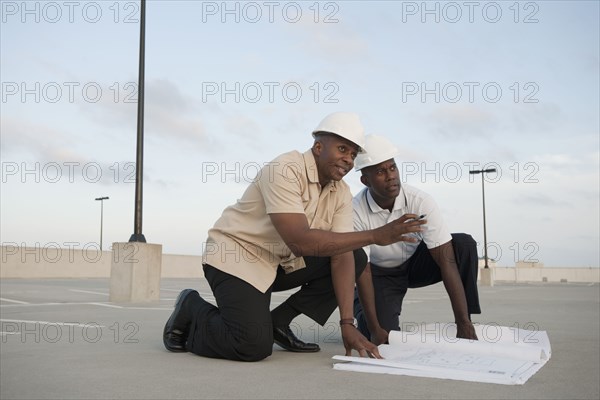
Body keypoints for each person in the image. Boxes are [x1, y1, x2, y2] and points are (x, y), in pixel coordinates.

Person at [162, 113, 427, 362]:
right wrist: (375, 235)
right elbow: (299, 240)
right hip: (235, 259)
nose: (348, 159)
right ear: (319, 147)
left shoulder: (341, 192)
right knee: (251, 345)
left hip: (278, 263)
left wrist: (348, 324)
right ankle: (191, 306)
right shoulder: (285, 169)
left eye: (353, 153)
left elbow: (343, 254)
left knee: (354, 254)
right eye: (342, 149)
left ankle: (278, 322)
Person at [352, 134, 481, 340]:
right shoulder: (355, 210)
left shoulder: (420, 201)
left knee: (463, 245)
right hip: (379, 274)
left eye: (392, 167)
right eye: (380, 171)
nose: (391, 176)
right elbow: (363, 269)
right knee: (383, 336)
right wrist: (375, 328)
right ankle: (360, 307)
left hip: (414, 265)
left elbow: (446, 260)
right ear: (365, 180)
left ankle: (468, 319)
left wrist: (462, 324)